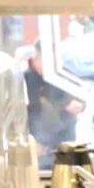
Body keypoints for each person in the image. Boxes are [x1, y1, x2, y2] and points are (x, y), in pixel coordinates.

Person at [24, 40, 85, 169]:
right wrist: (30, 143)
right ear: (35, 58)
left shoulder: (64, 75)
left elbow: (81, 98)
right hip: (35, 149)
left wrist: (79, 104)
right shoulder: (25, 79)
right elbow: (17, 116)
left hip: (65, 145)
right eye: (45, 59)